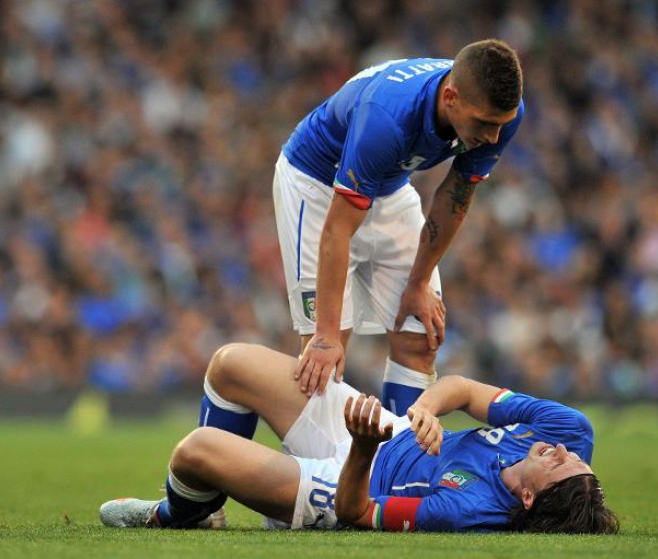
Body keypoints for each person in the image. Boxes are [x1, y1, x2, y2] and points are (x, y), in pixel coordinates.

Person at [100, 343, 618, 533]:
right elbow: (460, 388)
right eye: (574, 458)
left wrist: (364, 448)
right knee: (229, 364)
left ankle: (173, 516)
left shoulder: (467, 511)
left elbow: (357, 513)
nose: (562, 451)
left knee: (195, 451)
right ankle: (207, 510)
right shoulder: (569, 429)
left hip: (350, 482)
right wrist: (422, 411)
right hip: (386, 431)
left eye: (558, 464)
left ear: (527, 498)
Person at [274, 39, 525, 414]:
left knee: (421, 333)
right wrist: (326, 336)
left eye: (499, 126)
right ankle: (321, 470)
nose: (492, 137)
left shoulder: (502, 113)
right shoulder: (387, 118)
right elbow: (337, 228)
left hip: (388, 184)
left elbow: (455, 194)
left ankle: (401, 463)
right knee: (325, 354)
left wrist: (419, 282)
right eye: (484, 124)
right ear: (451, 97)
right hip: (316, 186)